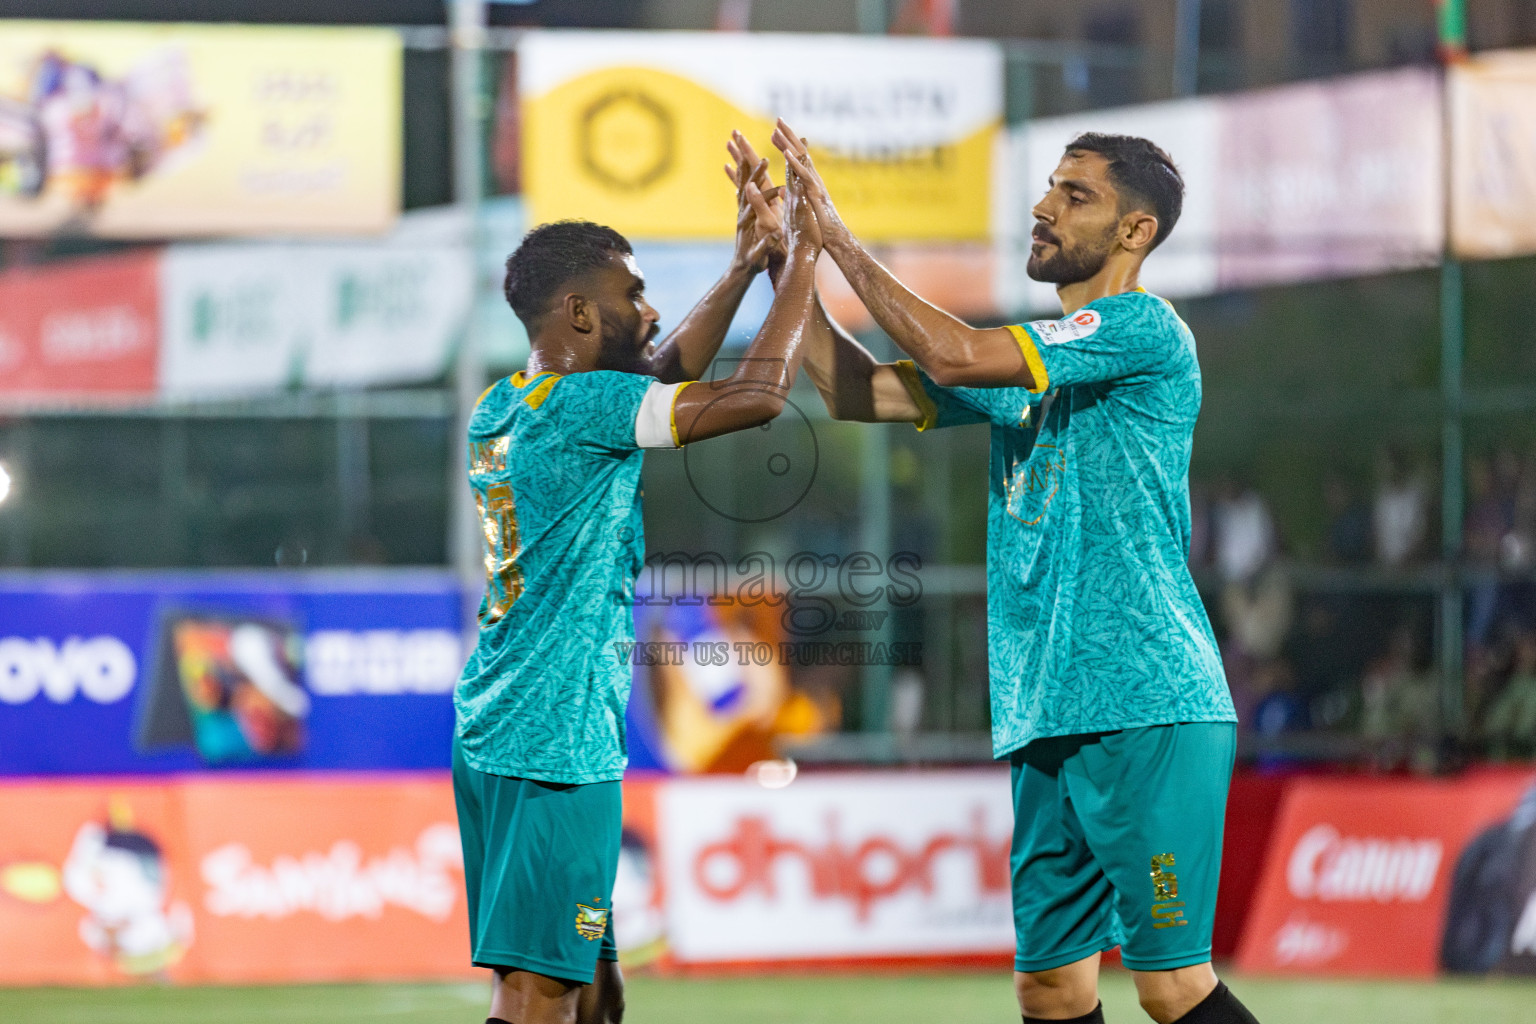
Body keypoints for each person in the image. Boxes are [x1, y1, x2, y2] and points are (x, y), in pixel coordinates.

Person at [735, 122, 1257, 1024]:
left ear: (1136, 231)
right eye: (1050, 187)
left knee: (1171, 987)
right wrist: (790, 259)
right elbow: (853, 391)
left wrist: (839, 238)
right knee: (1050, 988)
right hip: (1046, 705)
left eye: (1076, 195)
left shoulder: (1141, 328)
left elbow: (951, 353)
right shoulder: (1034, 359)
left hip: (1146, 701)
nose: (1044, 207)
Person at [452, 149, 823, 1024]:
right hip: (554, 743)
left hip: (504, 722)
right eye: (634, 292)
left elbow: (654, 372)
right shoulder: (585, 413)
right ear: (580, 311)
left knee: (596, 1000)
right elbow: (760, 397)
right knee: (541, 998)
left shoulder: (508, 404)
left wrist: (739, 269)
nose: (649, 309)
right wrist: (801, 259)